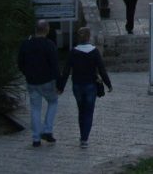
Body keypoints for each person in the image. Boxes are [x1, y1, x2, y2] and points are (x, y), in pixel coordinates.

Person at [58, 26, 111, 149]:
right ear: (88, 37)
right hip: (91, 85)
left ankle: (82, 134)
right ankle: (84, 138)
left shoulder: (73, 52)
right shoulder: (94, 51)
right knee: (89, 112)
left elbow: (66, 71)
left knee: (81, 111)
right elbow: (101, 69)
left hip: (77, 85)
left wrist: (61, 86)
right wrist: (108, 84)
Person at [17, 20, 60, 148]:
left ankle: (36, 138)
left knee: (35, 108)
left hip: (32, 81)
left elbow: (20, 62)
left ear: (35, 30)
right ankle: (47, 130)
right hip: (47, 81)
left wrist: (26, 73)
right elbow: (55, 65)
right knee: (53, 102)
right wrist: (59, 82)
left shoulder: (26, 44)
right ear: (47, 30)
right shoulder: (49, 45)